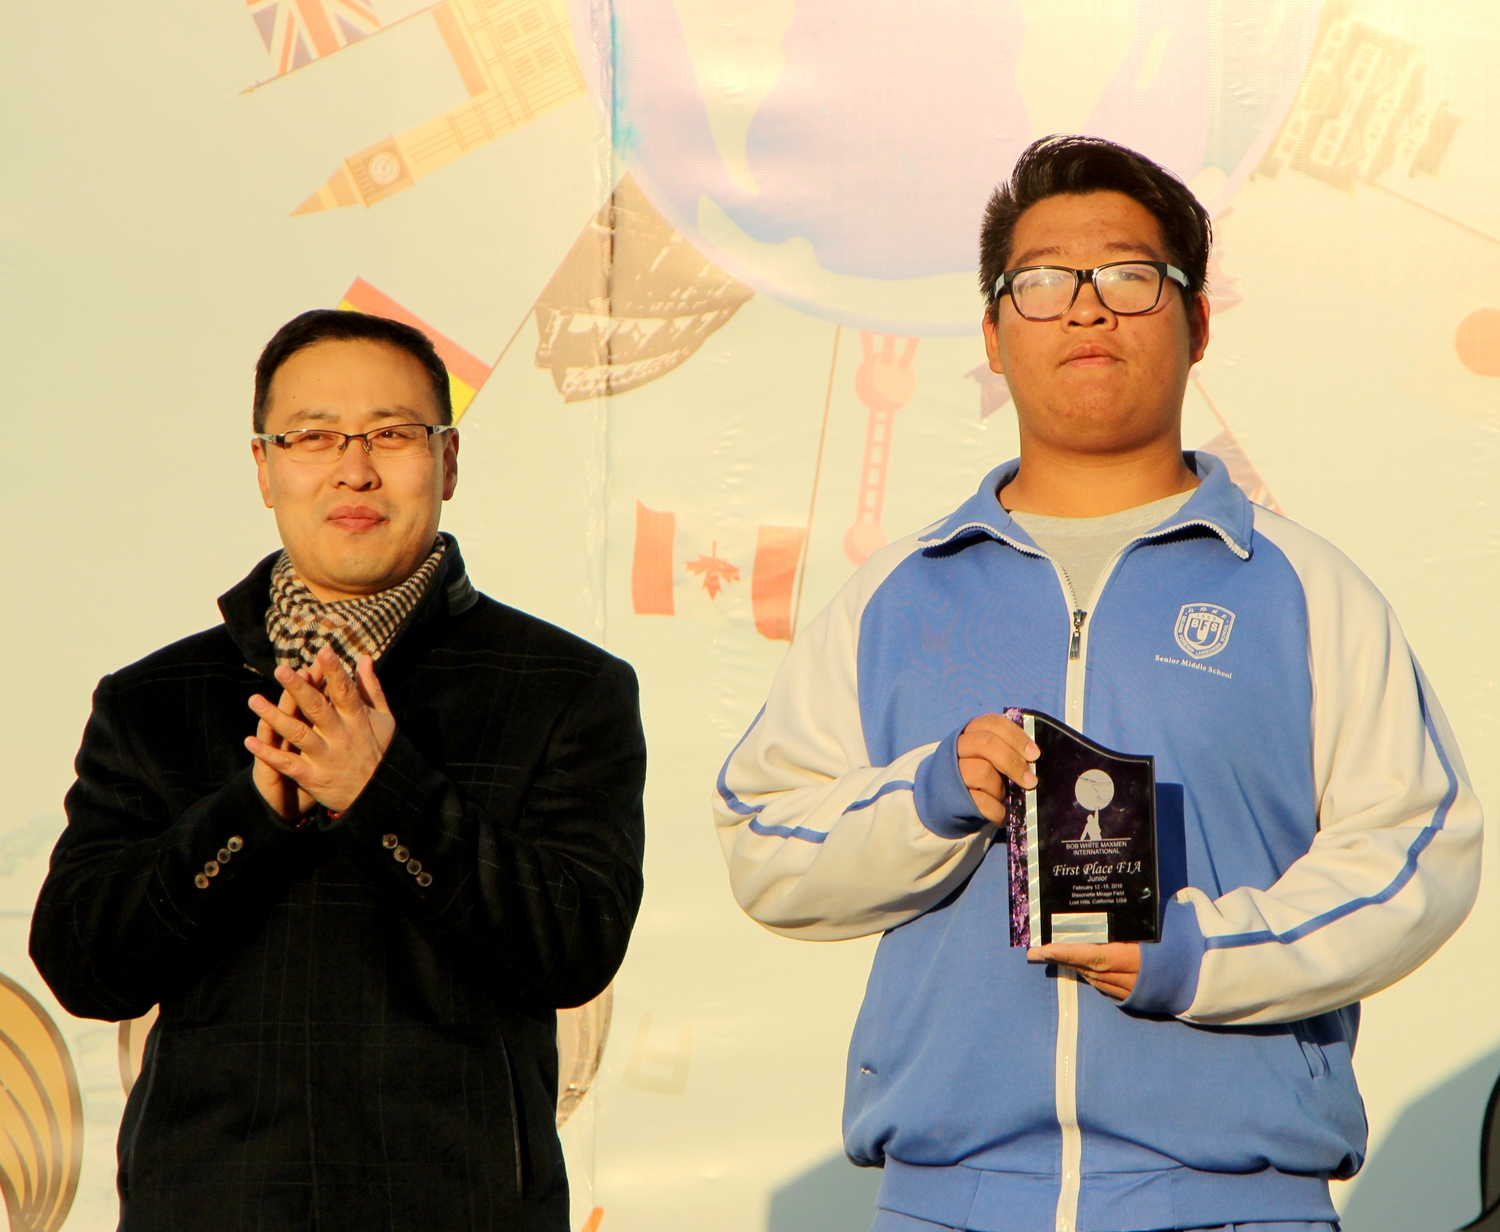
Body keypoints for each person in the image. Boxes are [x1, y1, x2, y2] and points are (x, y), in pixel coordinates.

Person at [713, 135, 1482, 1232]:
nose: (1084, 309)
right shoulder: (896, 595)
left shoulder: (1305, 589)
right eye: (1040, 282)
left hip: (1235, 1202)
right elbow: (763, 840)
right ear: (992, 333)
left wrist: (1201, 954)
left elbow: (1418, 850)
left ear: (1198, 321)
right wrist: (930, 797)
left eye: (1128, 277)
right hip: (948, 1201)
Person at [31, 310, 647, 1231]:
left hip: (458, 1204)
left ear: (447, 461)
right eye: (313, 437)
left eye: (391, 435)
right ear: (264, 467)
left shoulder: (565, 687)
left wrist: (382, 792)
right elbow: (84, 965)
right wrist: (248, 817)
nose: (354, 469)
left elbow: (575, 946)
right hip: (214, 1204)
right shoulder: (155, 698)